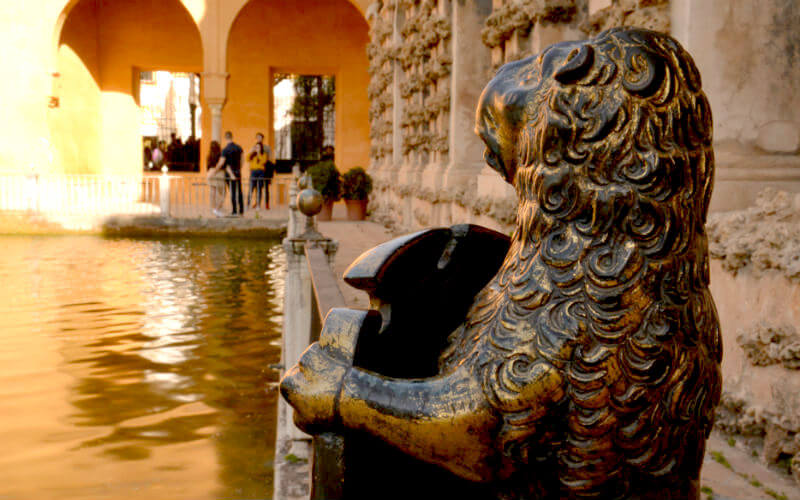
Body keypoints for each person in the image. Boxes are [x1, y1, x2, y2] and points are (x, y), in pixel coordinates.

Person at [217, 131, 244, 216]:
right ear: (232, 137)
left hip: (229, 173)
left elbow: (222, 162)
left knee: (232, 191)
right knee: (239, 191)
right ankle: (241, 210)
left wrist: (215, 169)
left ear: (225, 138)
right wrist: (239, 168)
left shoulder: (225, 150)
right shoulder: (239, 148)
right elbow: (242, 160)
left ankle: (234, 211)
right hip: (238, 171)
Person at [246, 132, 272, 210]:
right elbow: (247, 159)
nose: (258, 139)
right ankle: (248, 204)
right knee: (251, 188)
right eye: (257, 137)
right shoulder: (252, 153)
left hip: (261, 172)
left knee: (260, 188)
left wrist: (258, 153)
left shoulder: (264, 152)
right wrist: (251, 151)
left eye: (260, 137)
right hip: (253, 171)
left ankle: (259, 204)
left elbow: (264, 161)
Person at [205, 141, 226, 216]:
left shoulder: (209, 155)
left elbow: (207, 166)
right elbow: (223, 164)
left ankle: (213, 208)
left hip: (210, 172)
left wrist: (209, 173)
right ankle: (217, 208)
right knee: (222, 193)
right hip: (219, 173)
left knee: (212, 192)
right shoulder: (221, 155)